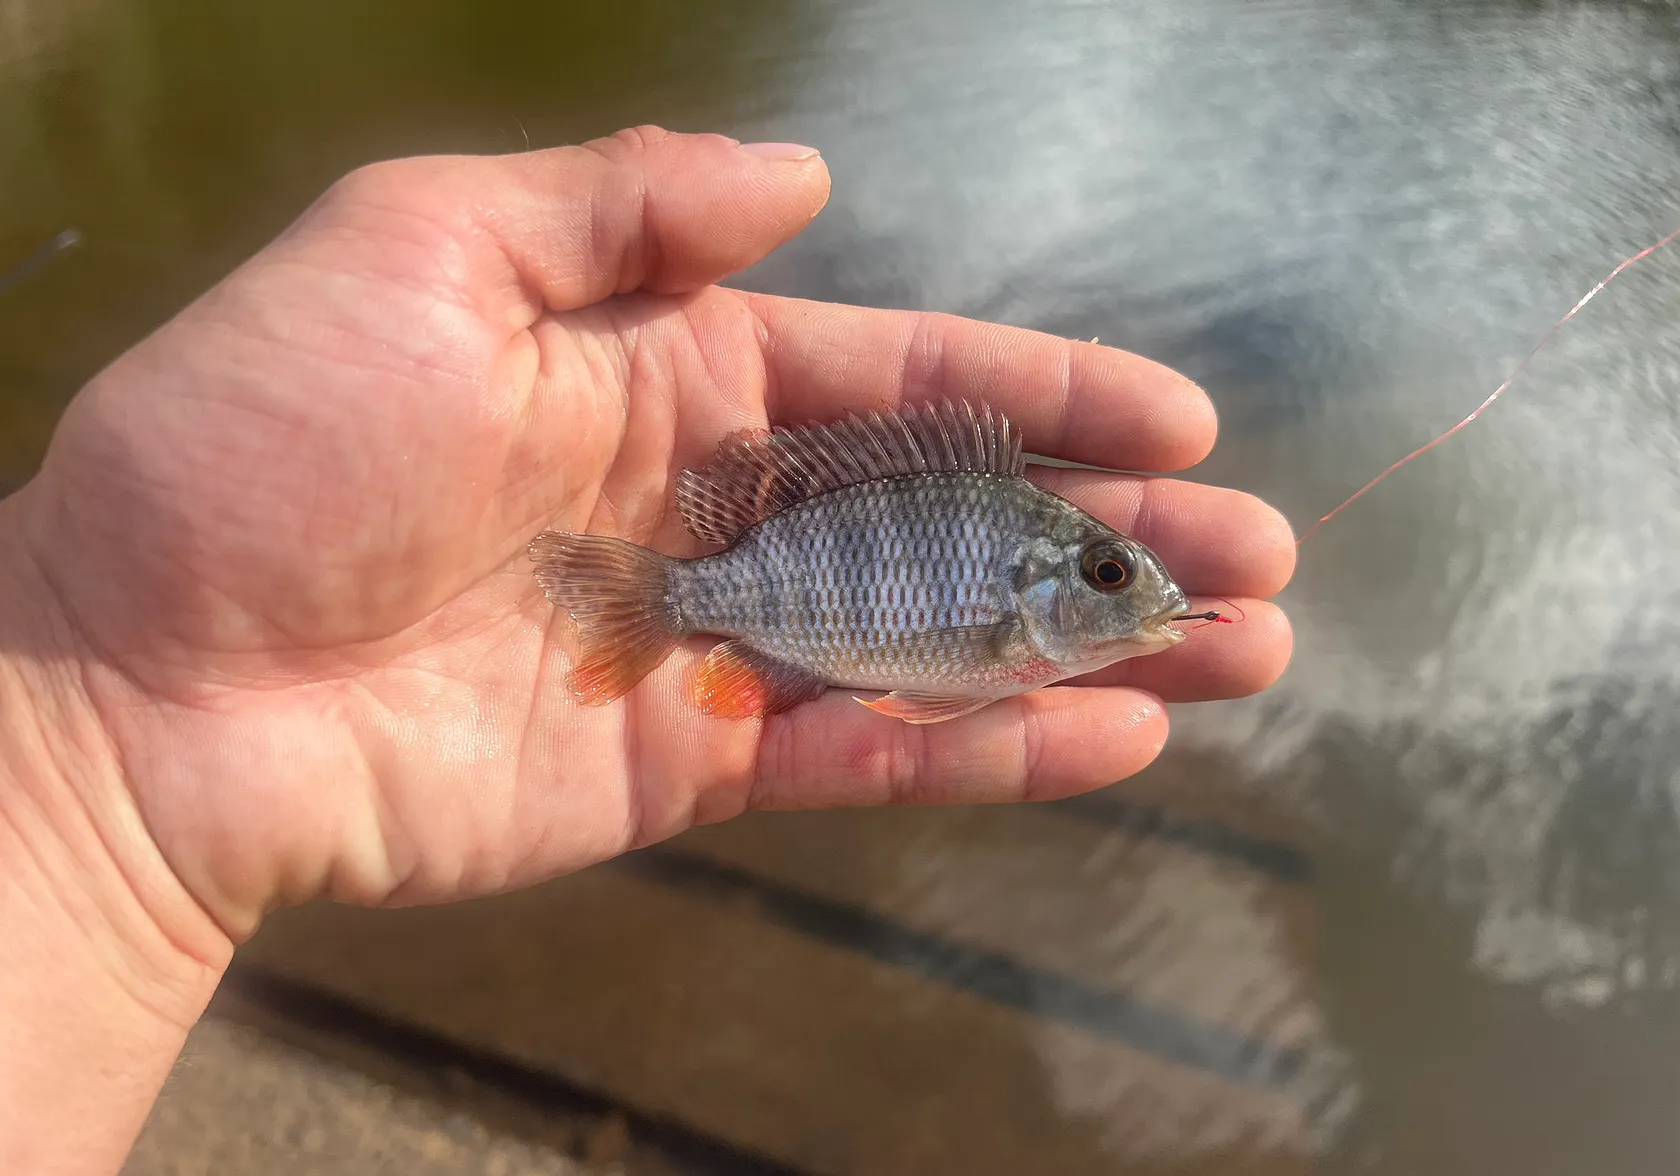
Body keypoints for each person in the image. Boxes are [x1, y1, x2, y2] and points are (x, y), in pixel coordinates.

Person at [0, 126, 1296, 1175]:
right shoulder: (1002, 613)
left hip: (768, 613)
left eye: (1122, 579)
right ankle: (663, 602)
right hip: (749, 601)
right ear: (1051, 584)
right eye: (1112, 576)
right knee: (702, 616)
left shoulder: (1010, 617)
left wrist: (91, 727)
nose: (1132, 595)